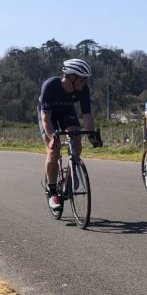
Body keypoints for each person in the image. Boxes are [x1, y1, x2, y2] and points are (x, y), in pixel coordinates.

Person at [37, 58, 102, 211]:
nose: (86, 82)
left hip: (67, 112)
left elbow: (87, 115)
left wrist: (92, 136)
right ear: (71, 77)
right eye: (83, 79)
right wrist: (53, 137)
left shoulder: (83, 90)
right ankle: (52, 191)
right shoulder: (50, 86)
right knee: (53, 150)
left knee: (76, 134)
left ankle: (73, 168)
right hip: (48, 115)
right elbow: (45, 119)